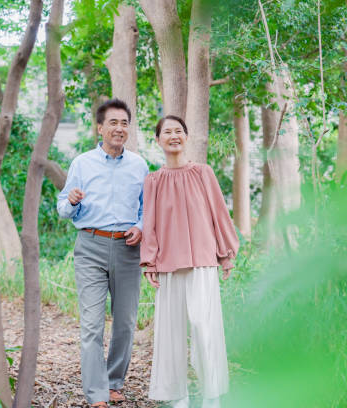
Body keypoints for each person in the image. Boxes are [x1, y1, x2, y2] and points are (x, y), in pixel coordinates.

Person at [140, 115, 239, 408]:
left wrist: (226, 254)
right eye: (167, 132)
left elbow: (219, 214)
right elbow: (150, 223)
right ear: (158, 140)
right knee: (170, 334)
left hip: (202, 261)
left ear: (187, 136)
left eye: (179, 131)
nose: (174, 136)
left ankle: (212, 396)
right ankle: (177, 397)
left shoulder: (203, 173)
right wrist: (149, 261)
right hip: (168, 264)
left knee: (204, 327)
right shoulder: (153, 180)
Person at [57, 99, 148, 408]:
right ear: (100, 128)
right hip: (90, 247)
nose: (119, 128)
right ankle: (96, 394)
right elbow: (62, 209)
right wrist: (71, 199)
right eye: (113, 123)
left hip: (128, 249)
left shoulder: (139, 165)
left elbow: (145, 208)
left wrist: (140, 226)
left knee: (125, 321)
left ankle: (113, 382)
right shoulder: (82, 163)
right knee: (92, 325)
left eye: (124, 123)